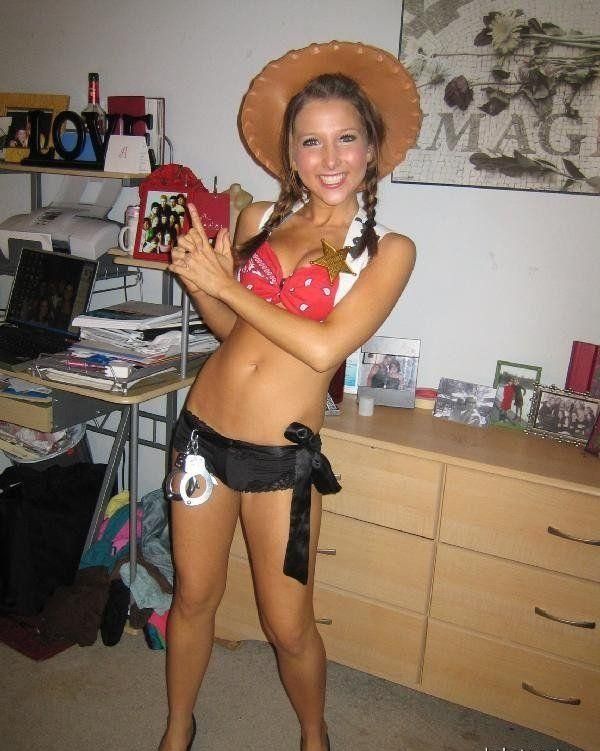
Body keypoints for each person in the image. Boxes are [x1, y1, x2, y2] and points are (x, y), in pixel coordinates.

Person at [160, 40, 421, 751]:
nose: (330, 158)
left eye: (346, 138)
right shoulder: (259, 223)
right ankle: (178, 727)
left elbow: (323, 348)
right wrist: (203, 282)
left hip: (282, 459)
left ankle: (313, 734)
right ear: (291, 153)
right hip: (202, 436)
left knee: (288, 625)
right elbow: (232, 331)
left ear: (372, 149)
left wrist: (226, 284)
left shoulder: (385, 250)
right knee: (193, 596)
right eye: (311, 141)